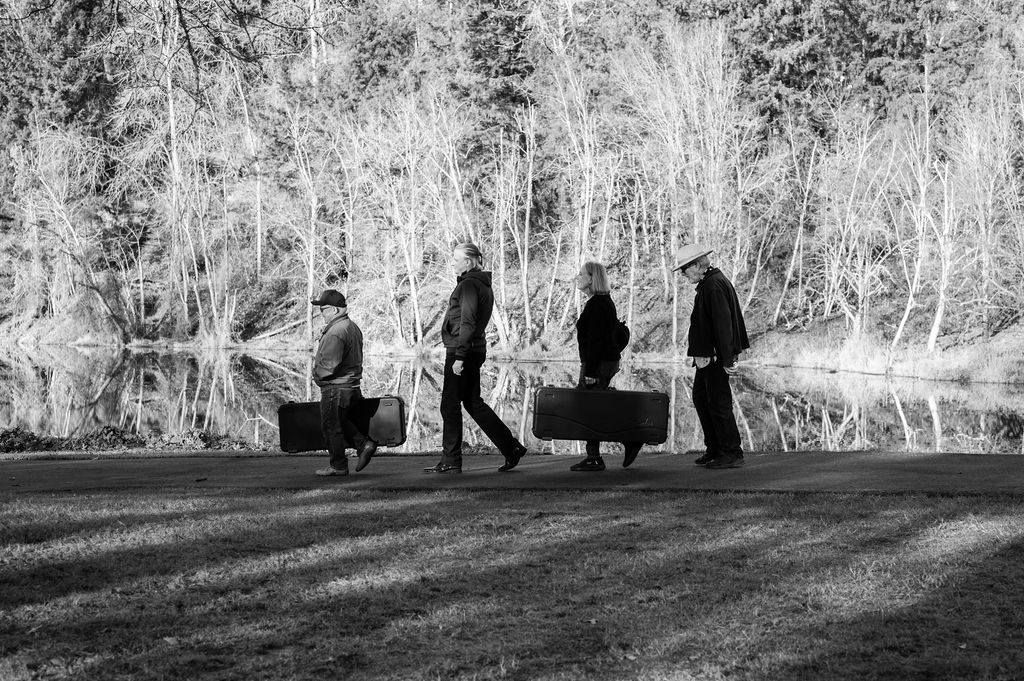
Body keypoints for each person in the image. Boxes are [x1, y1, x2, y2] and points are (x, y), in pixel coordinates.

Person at [425, 242, 528, 474]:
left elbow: (468, 322)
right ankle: (511, 448)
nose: (452, 262)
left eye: (455, 258)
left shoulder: (470, 285)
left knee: (449, 404)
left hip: (463, 351)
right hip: (473, 349)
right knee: (473, 403)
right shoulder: (479, 284)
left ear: (469, 262)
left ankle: (451, 460)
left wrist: (459, 357)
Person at [674, 244, 750, 469]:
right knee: (702, 398)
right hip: (707, 357)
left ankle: (731, 452)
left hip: (714, 358)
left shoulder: (713, 285)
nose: (682, 275)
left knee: (718, 403)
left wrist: (727, 358)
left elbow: (723, 324)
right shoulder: (710, 283)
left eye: (684, 270)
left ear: (697, 265)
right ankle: (715, 449)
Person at [569, 261, 643, 472]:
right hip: (601, 362)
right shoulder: (599, 302)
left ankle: (625, 442)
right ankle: (598, 455)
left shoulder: (599, 304)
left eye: (582, 274)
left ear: (593, 279)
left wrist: (591, 372)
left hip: (598, 364)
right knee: (593, 409)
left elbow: (597, 342)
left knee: (589, 409)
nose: (578, 276)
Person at [310, 289, 377, 476]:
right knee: (341, 422)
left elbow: (329, 366)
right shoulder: (351, 326)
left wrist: (316, 375)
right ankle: (364, 445)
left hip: (336, 388)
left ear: (333, 310)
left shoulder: (336, 332)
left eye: (323, 309)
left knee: (331, 426)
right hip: (351, 386)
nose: (321, 313)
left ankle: (338, 466)